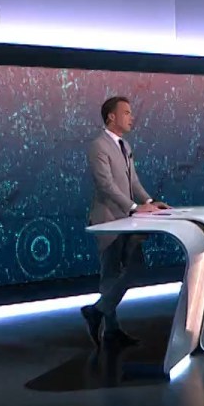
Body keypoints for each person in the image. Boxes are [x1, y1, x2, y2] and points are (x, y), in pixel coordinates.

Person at [82, 96, 169, 348]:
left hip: (127, 221)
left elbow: (133, 182)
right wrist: (134, 207)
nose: (132, 117)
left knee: (135, 266)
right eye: (127, 112)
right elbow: (105, 185)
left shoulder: (125, 145)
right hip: (107, 220)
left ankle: (97, 312)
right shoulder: (98, 146)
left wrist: (150, 201)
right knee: (110, 275)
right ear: (112, 116)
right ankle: (111, 329)